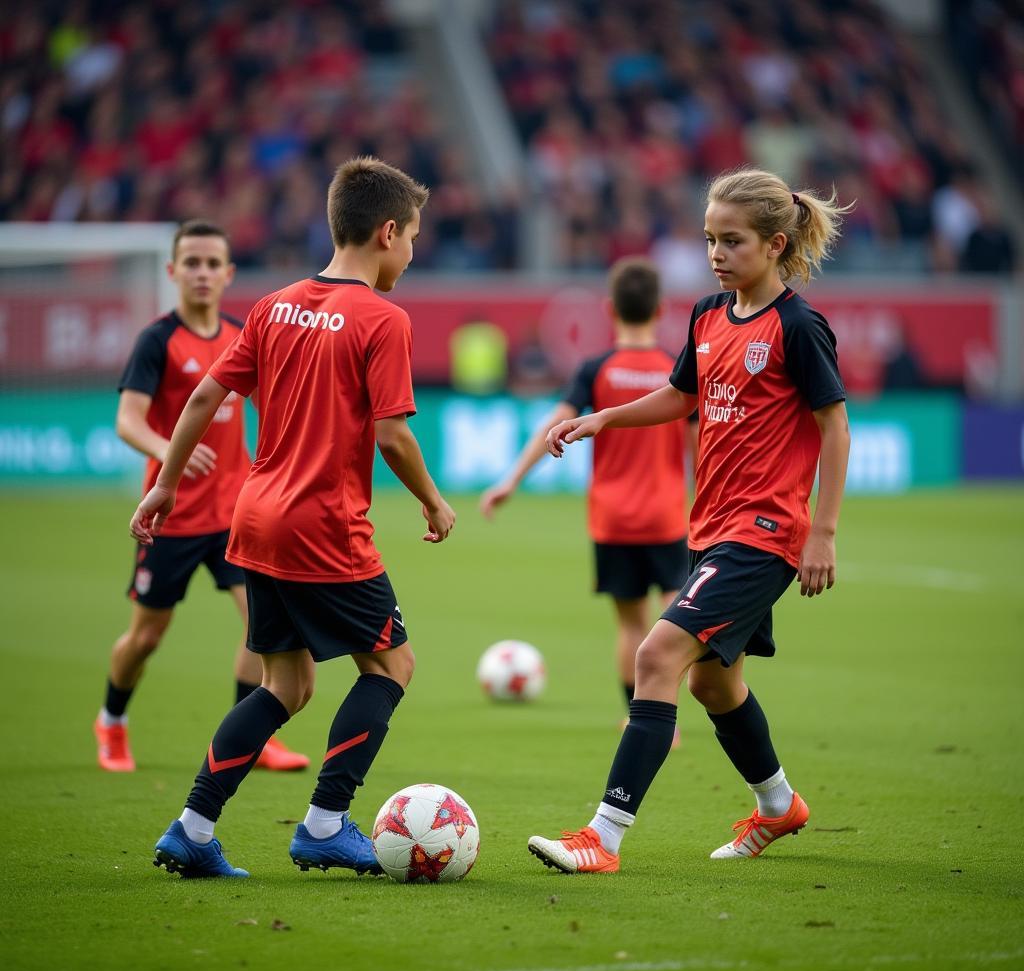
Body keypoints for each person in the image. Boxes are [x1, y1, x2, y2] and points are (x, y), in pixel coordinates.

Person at [131, 156, 455, 878]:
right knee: (393, 664)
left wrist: (164, 486)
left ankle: (192, 826)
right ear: (388, 230)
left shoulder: (273, 305)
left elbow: (202, 400)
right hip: (323, 526)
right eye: (412, 239)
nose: (412, 252)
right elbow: (395, 434)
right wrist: (433, 500)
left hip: (254, 519)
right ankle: (325, 823)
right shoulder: (382, 318)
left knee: (288, 685)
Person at [527, 168, 851, 873]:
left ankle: (602, 837)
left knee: (656, 655)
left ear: (773, 244)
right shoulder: (707, 316)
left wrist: (822, 531)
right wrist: (605, 417)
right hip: (712, 528)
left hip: (764, 533)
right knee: (712, 682)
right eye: (709, 239)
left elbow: (835, 426)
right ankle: (778, 805)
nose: (716, 252)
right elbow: (681, 398)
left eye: (731, 241)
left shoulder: (798, 326)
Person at [95, 220, 309, 774]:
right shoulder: (157, 340)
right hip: (171, 518)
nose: (203, 273)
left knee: (258, 627)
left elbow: (273, 407)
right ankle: (112, 721)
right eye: (191, 263)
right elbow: (127, 420)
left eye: (213, 264)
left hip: (235, 514)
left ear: (229, 273)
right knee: (146, 636)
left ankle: (249, 739)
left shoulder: (246, 335)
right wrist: (173, 452)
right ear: (172, 272)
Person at [481, 257, 695, 744]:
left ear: (608, 308)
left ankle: (640, 717)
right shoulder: (676, 372)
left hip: (613, 519)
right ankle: (669, 718)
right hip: (666, 517)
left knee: (630, 626)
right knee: (676, 620)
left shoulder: (596, 370)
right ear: (660, 309)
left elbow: (553, 425)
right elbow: (699, 450)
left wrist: (511, 480)